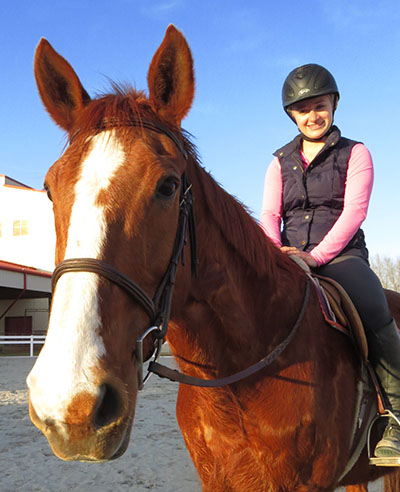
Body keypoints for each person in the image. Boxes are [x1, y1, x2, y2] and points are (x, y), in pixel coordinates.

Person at [261, 63, 400, 458]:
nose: (312, 116)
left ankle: (396, 417)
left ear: (333, 105)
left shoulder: (356, 153)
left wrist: (316, 256)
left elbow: (354, 212)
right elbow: (270, 215)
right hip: (289, 256)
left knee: (374, 309)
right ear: (292, 114)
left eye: (319, 106)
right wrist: (277, 254)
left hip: (340, 255)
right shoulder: (279, 162)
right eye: (303, 110)